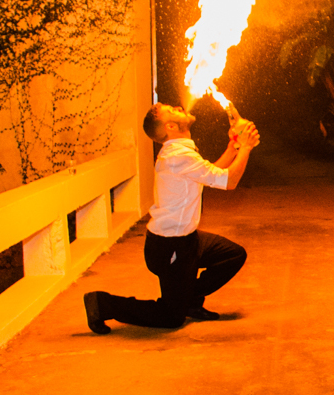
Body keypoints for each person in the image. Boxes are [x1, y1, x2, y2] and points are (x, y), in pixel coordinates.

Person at [83, 102, 259, 334]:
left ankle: (190, 301)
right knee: (170, 317)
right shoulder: (179, 156)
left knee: (232, 255)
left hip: (187, 241)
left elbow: (210, 173)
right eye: (172, 110)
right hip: (169, 247)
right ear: (171, 126)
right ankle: (103, 304)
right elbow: (229, 181)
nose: (179, 107)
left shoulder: (182, 154)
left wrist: (234, 147)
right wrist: (245, 148)